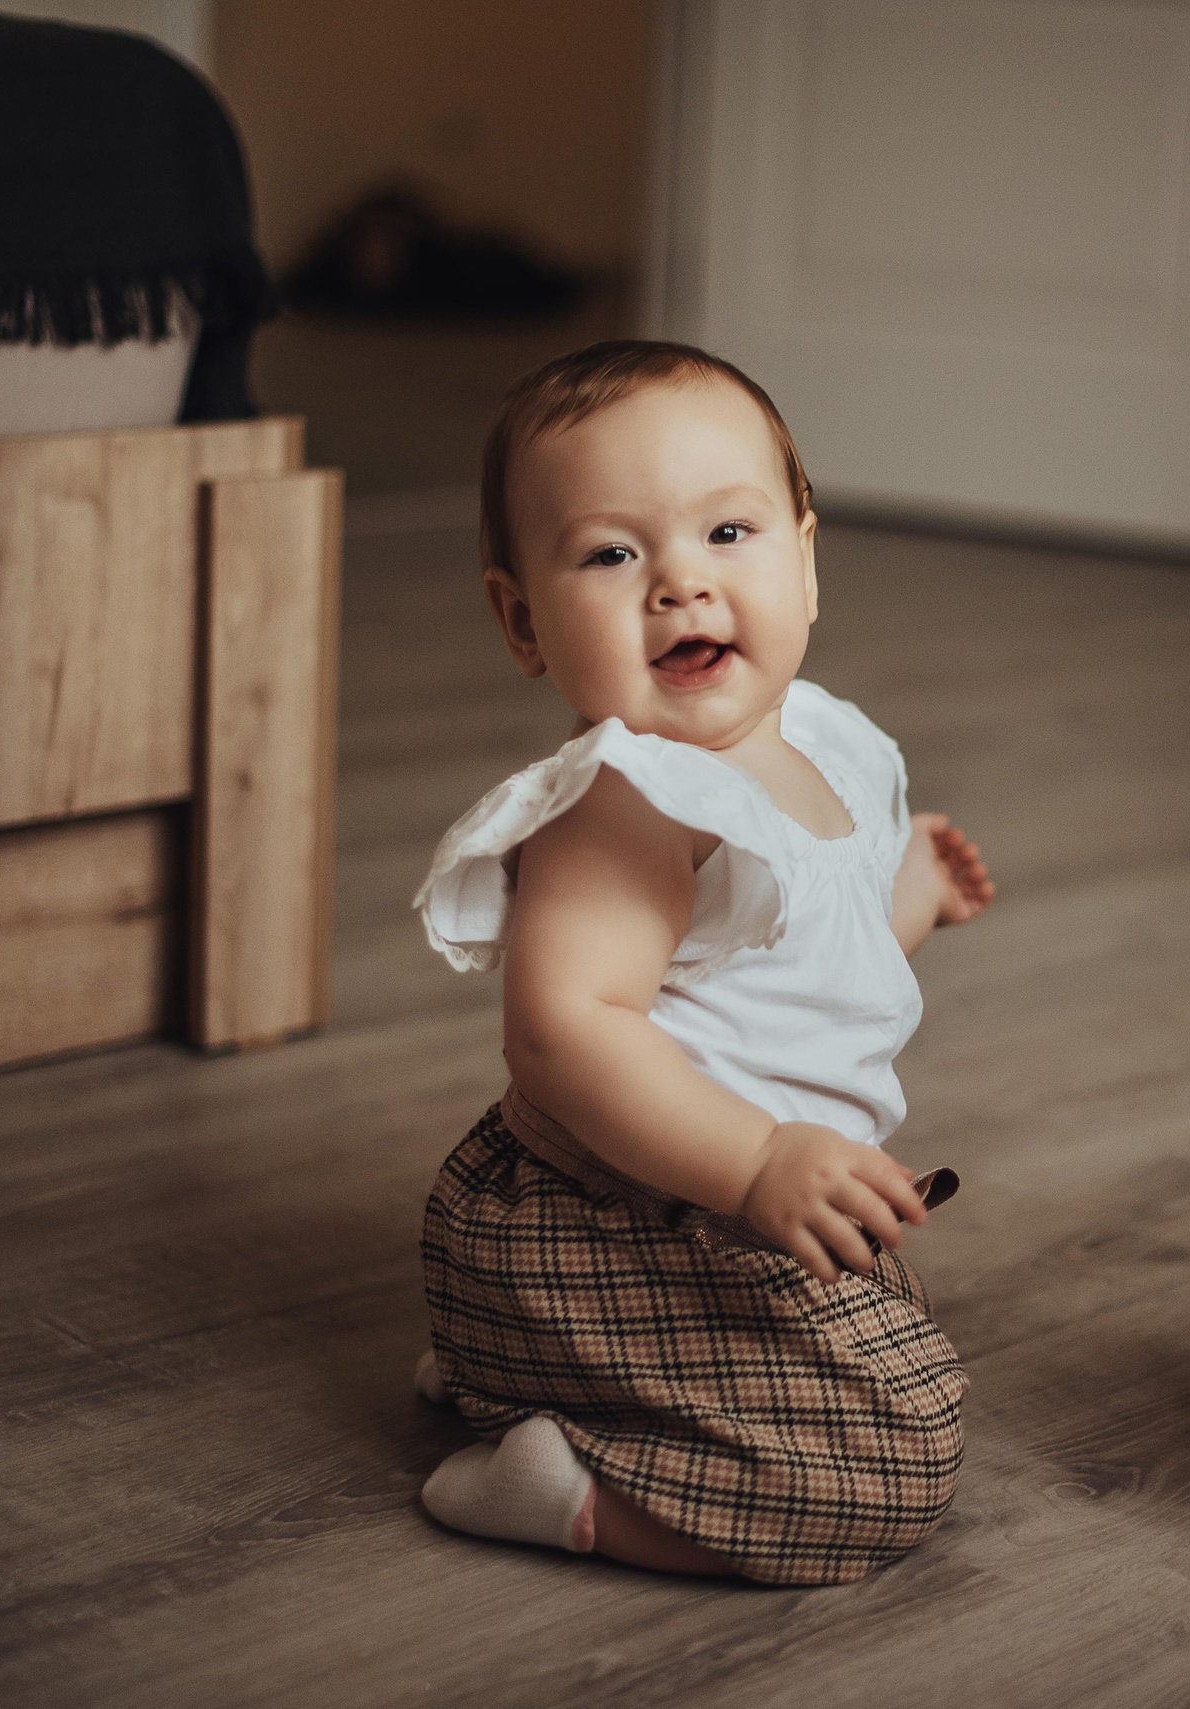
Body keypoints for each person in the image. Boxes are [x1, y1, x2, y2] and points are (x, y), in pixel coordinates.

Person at [410, 339, 995, 1585]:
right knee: (898, 1452)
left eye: (728, 533)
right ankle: (560, 1475)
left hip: (706, 1204)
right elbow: (565, 1028)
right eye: (614, 554)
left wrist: (908, 895)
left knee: (901, 1334)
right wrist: (756, 1155)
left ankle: (512, 1360)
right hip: (611, 1215)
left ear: (806, 557)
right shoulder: (629, 798)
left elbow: (787, 976)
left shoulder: (819, 741)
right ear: (522, 619)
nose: (680, 582)